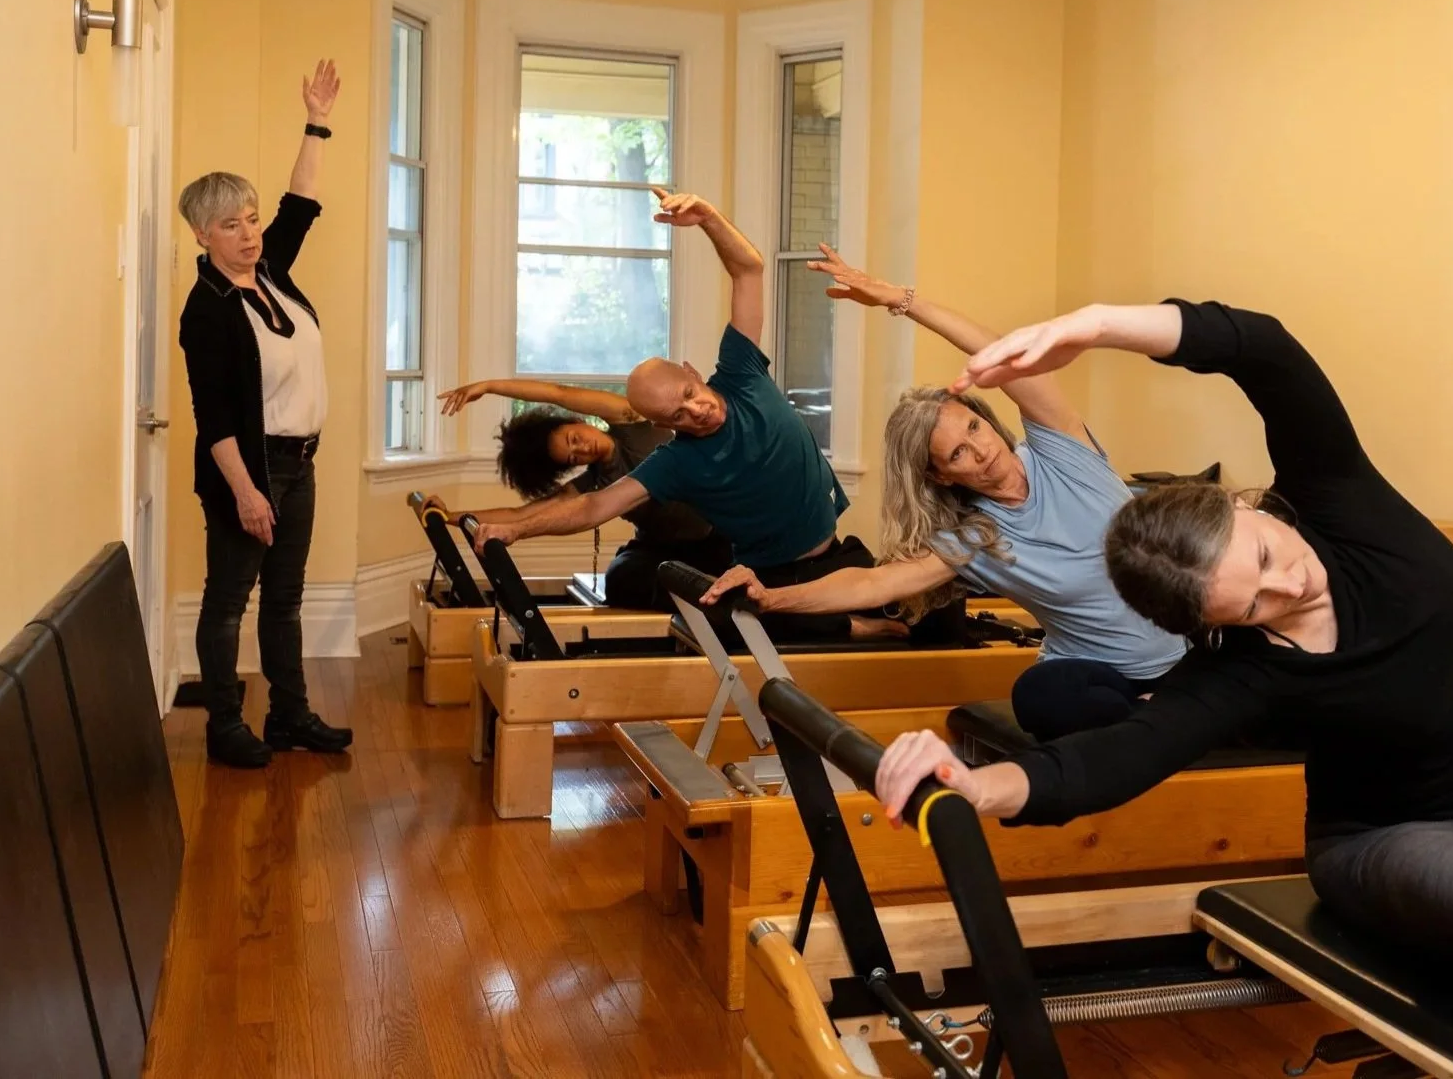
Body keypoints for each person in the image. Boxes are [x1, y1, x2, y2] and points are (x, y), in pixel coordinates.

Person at [872, 298, 1453, 1006]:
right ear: (1215, 626)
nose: (1282, 588)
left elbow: (1269, 353)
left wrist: (1095, 325)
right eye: (1245, 604)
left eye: (1264, 557)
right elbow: (1111, 759)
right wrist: (978, 784)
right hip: (1390, 848)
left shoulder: (1344, 504)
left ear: (1251, 509)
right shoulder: (1242, 673)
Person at [699, 247, 1188, 738]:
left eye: (974, 428)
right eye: (956, 454)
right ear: (941, 477)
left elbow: (1006, 356)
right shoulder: (972, 538)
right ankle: (1153, 715)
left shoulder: (1064, 451)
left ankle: (1167, 707)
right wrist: (772, 597)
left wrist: (900, 300)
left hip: (1187, 652)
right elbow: (872, 584)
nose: (979, 451)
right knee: (1040, 694)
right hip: (1101, 677)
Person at [472, 189, 901, 642]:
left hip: (836, 556)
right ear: (665, 426)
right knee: (730, 617)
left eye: (691, 393)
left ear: (694, 372)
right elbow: (594, 507)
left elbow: (748, 269)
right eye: (680, 414)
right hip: (771, 577)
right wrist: (516, 530)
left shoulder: (741, 370)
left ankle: (862, 622)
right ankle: (856, 629)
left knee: (931, 612)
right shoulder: (675, 463)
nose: (699, 410)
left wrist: (709, 218)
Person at [176, 60, 354, 770]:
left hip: (300, 465)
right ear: (201, 235)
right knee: (228, 603)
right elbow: (212, 417)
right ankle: (224, 726)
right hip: (248, 474)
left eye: (250, 220)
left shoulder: (270, 273)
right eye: (231, 225)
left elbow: (300, 202)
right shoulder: (207, 312)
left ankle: (289, 716)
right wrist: (247, 492)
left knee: (284, 602)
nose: (249, 234)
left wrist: (316, 120)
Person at [432, 377, 731, 610]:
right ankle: (697, 594)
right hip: (660, 548)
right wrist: (449, 517)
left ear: (578, 422)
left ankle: (709, 593)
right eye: (573, 458)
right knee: (618, 580)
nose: (582, 449)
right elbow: (520, 516)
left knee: (710, 563)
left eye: (574, 439)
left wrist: (488, 386)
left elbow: (557, 392)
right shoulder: (595, 484)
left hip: (712, 538)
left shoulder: (631, 420)